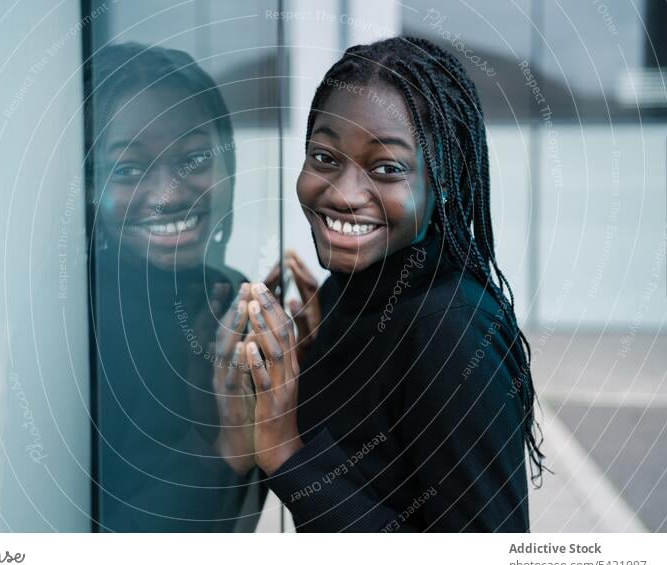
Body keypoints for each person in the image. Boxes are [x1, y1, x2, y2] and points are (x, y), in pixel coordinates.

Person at [241, 36, 548, 532]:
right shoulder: (350, 289)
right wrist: (315, 364)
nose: (343, 194)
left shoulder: (452, 332)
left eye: (387, 169)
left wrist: (285, 454)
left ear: (443, 180)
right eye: (324, 157)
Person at [87, 42, 264, 532]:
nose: (169, 193)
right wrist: (230, 447)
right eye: (128, 169)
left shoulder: (230, 296)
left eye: (194, 158)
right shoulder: (83, 319)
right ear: (88, 186)